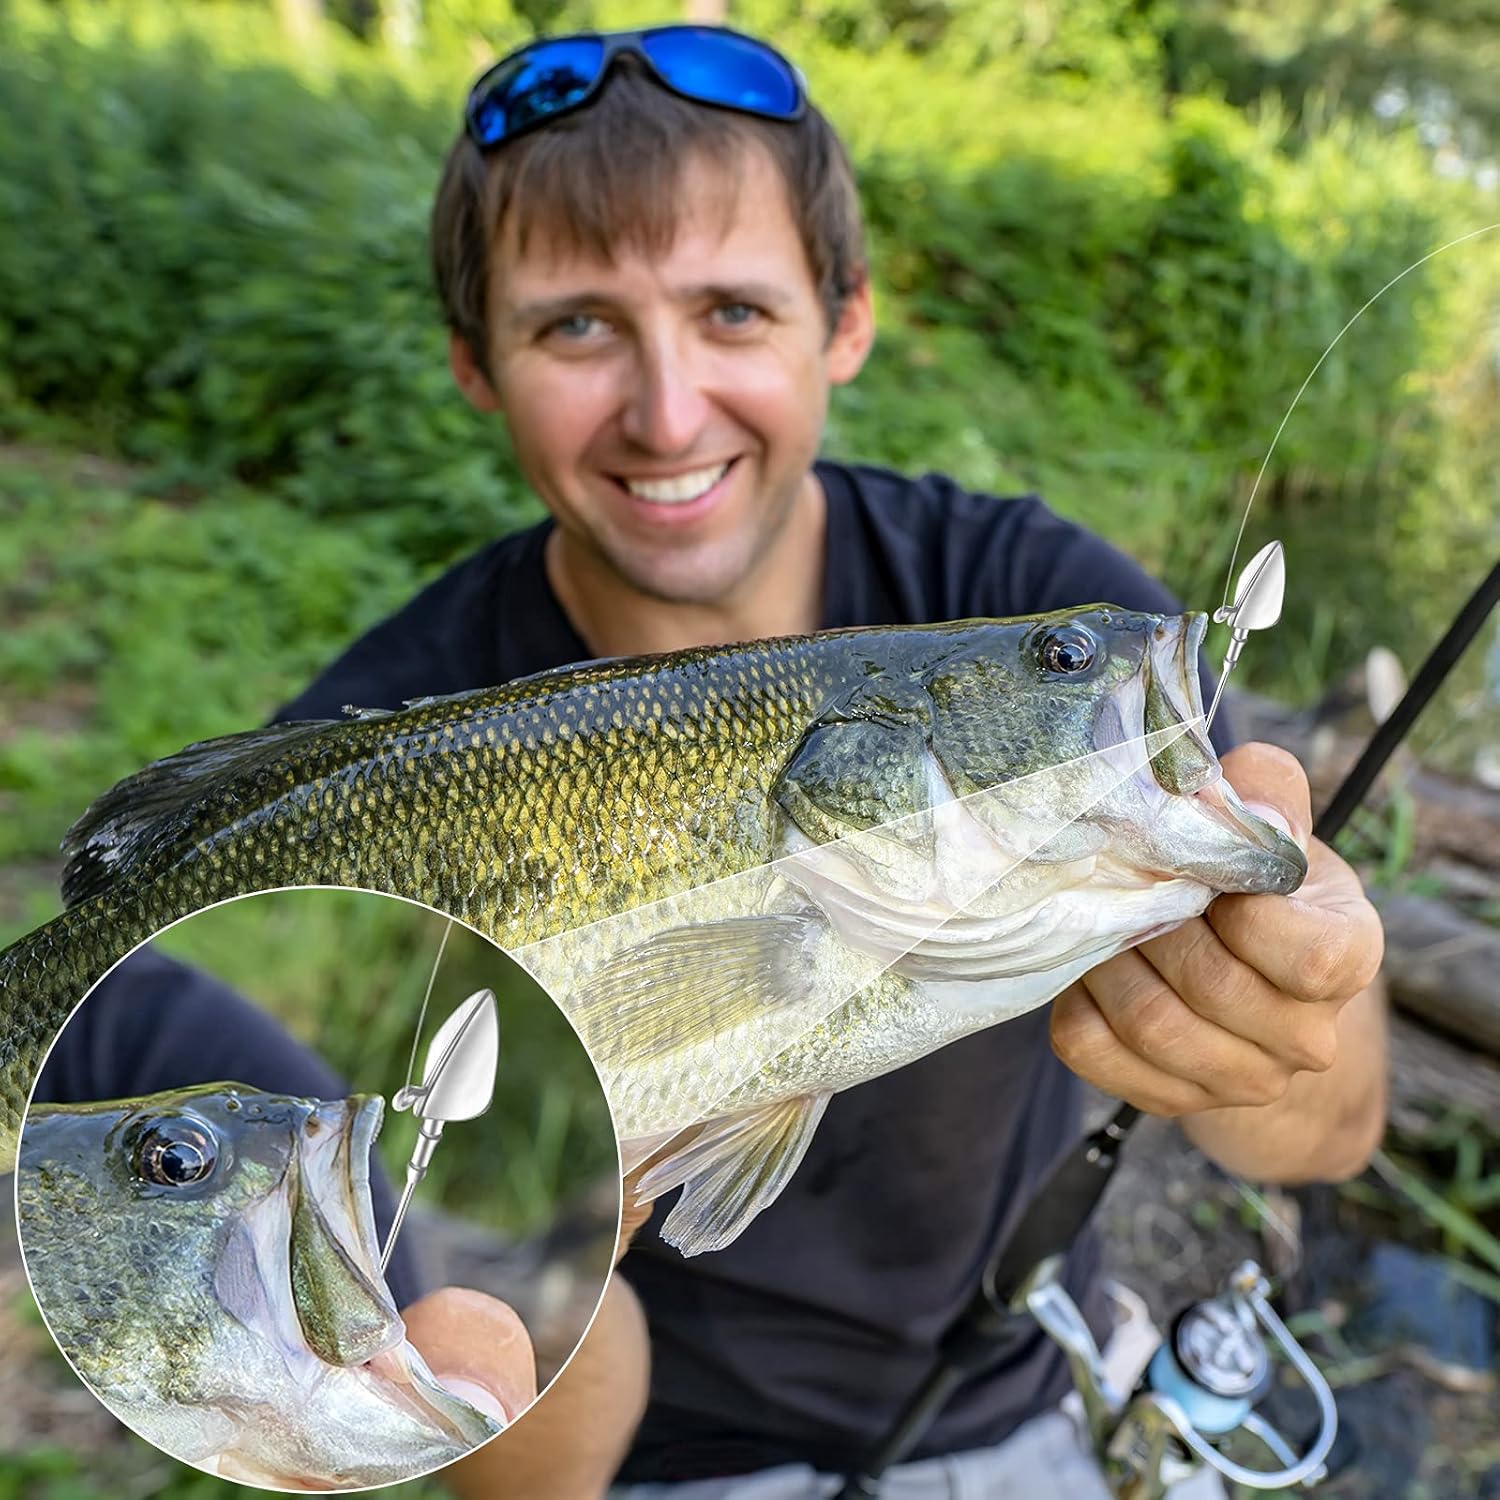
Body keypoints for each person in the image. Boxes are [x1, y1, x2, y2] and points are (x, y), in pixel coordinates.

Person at [42, 23, 1389, 1500]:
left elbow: (1336, 1133)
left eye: (733, 310)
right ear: (475, 364)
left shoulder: (1016, 589)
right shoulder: (319, 822)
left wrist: (1280, 1012)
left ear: (846, 320)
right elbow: (516, 1471)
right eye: (577, 327)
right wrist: (536, 1265)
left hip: (1007, 1404)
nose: (669, 411)